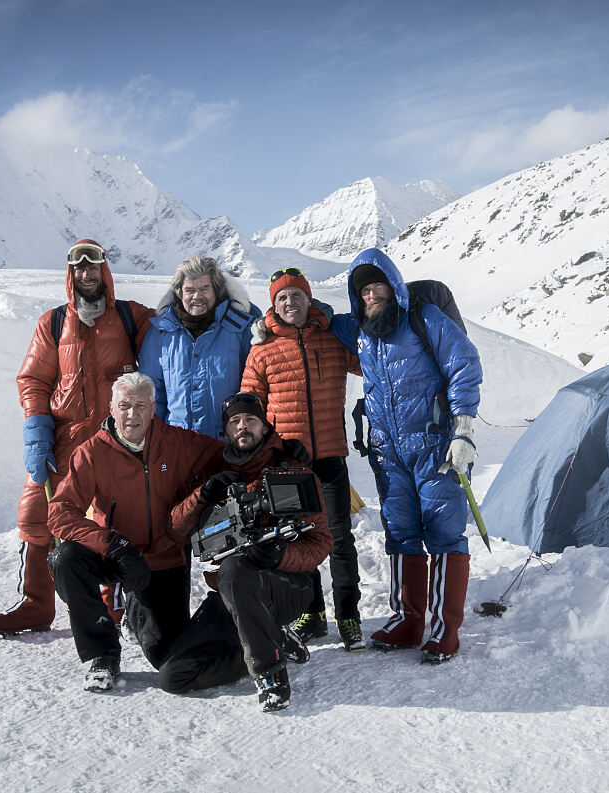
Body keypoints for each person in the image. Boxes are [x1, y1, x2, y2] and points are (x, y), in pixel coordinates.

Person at [0, 239, 155, 637]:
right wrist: (37, 431)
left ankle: (112, 605)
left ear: (105, 272)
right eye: (79, 268)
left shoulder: (131, 317)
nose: (87, 274)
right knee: (34, 517)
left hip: (114, 442)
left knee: (108, 520)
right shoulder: (53, 323)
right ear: (70, 274)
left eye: (94, 267)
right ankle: (36, 605)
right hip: (63, 440)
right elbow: (33, 379)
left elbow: (173, 338)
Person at [338, 248, 483, 665]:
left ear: (393, 285)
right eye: (362, 290)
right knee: (400, 531)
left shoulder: (423, 318)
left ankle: (444, 629)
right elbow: (319, 320)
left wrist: (464, 430)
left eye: (376, 285)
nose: (370, 295)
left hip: (436, 445)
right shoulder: (362, 330)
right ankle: (408, 620)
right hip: (388, 452)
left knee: (444, 532)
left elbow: (464, 365)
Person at [45, 373, 224, 691]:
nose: (132, 414)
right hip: (113, 555)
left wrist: (281, 449)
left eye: (140, 406)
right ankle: (102, 654)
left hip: (163, 559)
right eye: (124, 405)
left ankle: (230, 617)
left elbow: (232, 453)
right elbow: (60, 513)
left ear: (153, 408)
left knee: (166, 658)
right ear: (111, 408)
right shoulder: (91, 453)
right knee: (64, 558)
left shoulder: (176, 442)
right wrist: (112, 544)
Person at [162, 392, 332, 711]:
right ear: (225, 430)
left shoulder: (291, 469)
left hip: (286, 587)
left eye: (251, 419)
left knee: (236, 570)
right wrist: (204, 495)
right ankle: (269, 638)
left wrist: (280, 556)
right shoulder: (214, 471)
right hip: (232, 594)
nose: (243, 426)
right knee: (175, 676)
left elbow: (322, 541)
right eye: (235, 421)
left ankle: (271, 674)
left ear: (265, 426)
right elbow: (175, 530)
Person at [239, 267, 366, 651]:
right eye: (282, 297)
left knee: (340, 538)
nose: (290, 302)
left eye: (296, 295)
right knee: (300, 538)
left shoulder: (331, 339)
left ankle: (349, 616)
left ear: (308, 299)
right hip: (289, 467)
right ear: (273, 305)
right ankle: (313, 612)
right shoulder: (262, 350)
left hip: (330, 457)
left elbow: (370, 363)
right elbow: (250, 404)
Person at [138, 254, 262, 438]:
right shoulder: (161, 332)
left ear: (216, 291)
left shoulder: (240, 328)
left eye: (205, 288)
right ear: (180, 293)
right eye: (190, 290)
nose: (197, 296)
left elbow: (255, 387)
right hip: (179, 444)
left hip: (229, 443)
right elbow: (150, 390)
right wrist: (163, 435)